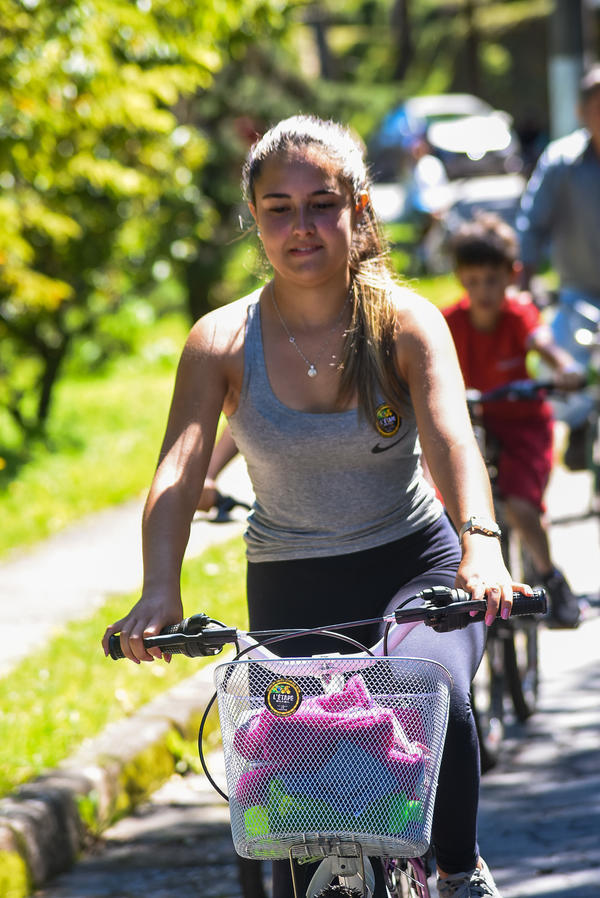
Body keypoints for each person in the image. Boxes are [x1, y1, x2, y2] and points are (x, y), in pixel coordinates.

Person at [103, 115, 531, 898]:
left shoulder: (405, 322)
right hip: (291, 581)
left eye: (321, 204)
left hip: (412, 564)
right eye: (278, 208)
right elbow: (177, 469)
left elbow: (450, 441)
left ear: (358, 208)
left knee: (431, 688)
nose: (301, 226)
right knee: (297, 775)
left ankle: (462, 874)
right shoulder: (221, 341)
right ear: (255, 219)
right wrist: (159, 589)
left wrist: (482, 543)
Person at [444, 212, 581, 629]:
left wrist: (564, 366)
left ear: (511, 275)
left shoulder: (519, 315)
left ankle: (550, 578)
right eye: (472, 281)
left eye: (491, 280)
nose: (482, 291)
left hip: (523, 426)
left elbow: (541, 341)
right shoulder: (449, 322)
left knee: (521, 506)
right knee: (448, 508)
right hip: (471, 428)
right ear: (460, 279)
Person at [517, 64, 600, 468]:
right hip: (579, 294)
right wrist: (525, 282)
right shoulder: (562, 162)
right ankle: (579, 425)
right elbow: (533, 224)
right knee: (568, 364)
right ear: (583, 112)